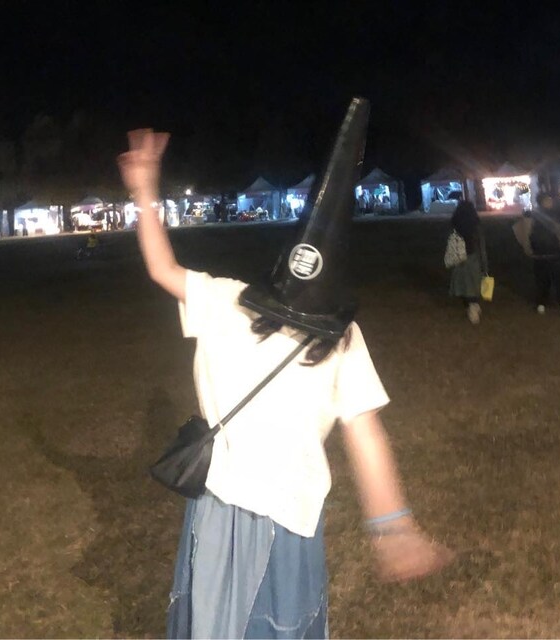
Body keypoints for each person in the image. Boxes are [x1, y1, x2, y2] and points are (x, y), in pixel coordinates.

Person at [117, 127, 454, 638]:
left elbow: (162, 268)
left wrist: (144, 190)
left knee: (214, 621)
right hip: (288, 516)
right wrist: (392, 526)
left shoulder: (228, 299)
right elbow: (365, 434)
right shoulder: (340, 337)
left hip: (221, 508)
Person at [529, 193, 560, 317]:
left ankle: (541, 303)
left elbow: (527, 232)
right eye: (548, 200)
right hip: (554, 253)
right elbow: (559, 233)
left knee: (542, 279)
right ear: (543, 202)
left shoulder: (534, 215)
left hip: (540, 254)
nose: (551, 202)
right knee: (559, 279)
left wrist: (529, 249)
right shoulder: (553, 215)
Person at [448, 201, 486, 324]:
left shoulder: (455, 227)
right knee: (474, 284)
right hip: (473, 258)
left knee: (463, 285)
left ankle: (470, 306)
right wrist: (485, 264)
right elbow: (481, 246)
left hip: (459, 259)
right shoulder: (476, 226)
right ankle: (473, 306)